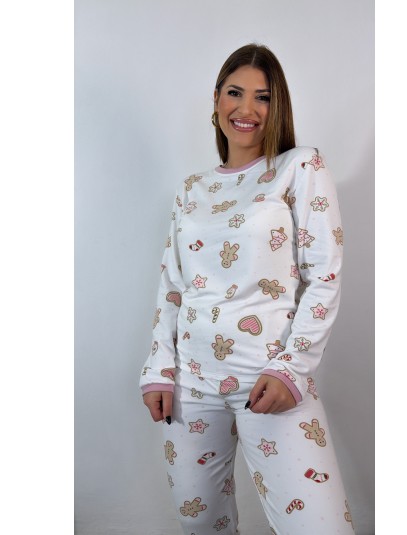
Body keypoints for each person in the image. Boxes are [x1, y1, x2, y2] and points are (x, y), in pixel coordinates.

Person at [140, 43, 354, 535]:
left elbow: (324, 275)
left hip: (270, 379)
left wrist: (290, 370)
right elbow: (173, 286)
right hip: (191, 384)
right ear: (216, 99)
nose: (248, 109)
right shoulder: (191, 189)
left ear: (278, 107)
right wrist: (158, 369)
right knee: (201, 525)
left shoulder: (300, 168)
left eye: (264, 97)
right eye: (236, 93)